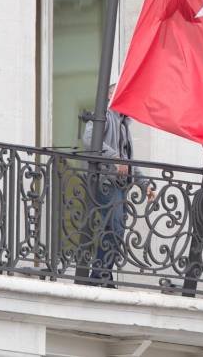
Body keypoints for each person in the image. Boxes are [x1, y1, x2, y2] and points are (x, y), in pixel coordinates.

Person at [81, 83, 155, 287]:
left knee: (117, 229)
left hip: (120, 185)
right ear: (112, 96)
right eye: (123, 94)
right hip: (105, 181)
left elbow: (129, 161)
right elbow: (88, 139)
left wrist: (144, 185)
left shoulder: (124, 124)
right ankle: (99, 275)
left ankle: (102, 273)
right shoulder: (104, 114)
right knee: (113, 226)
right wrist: (114, 158)